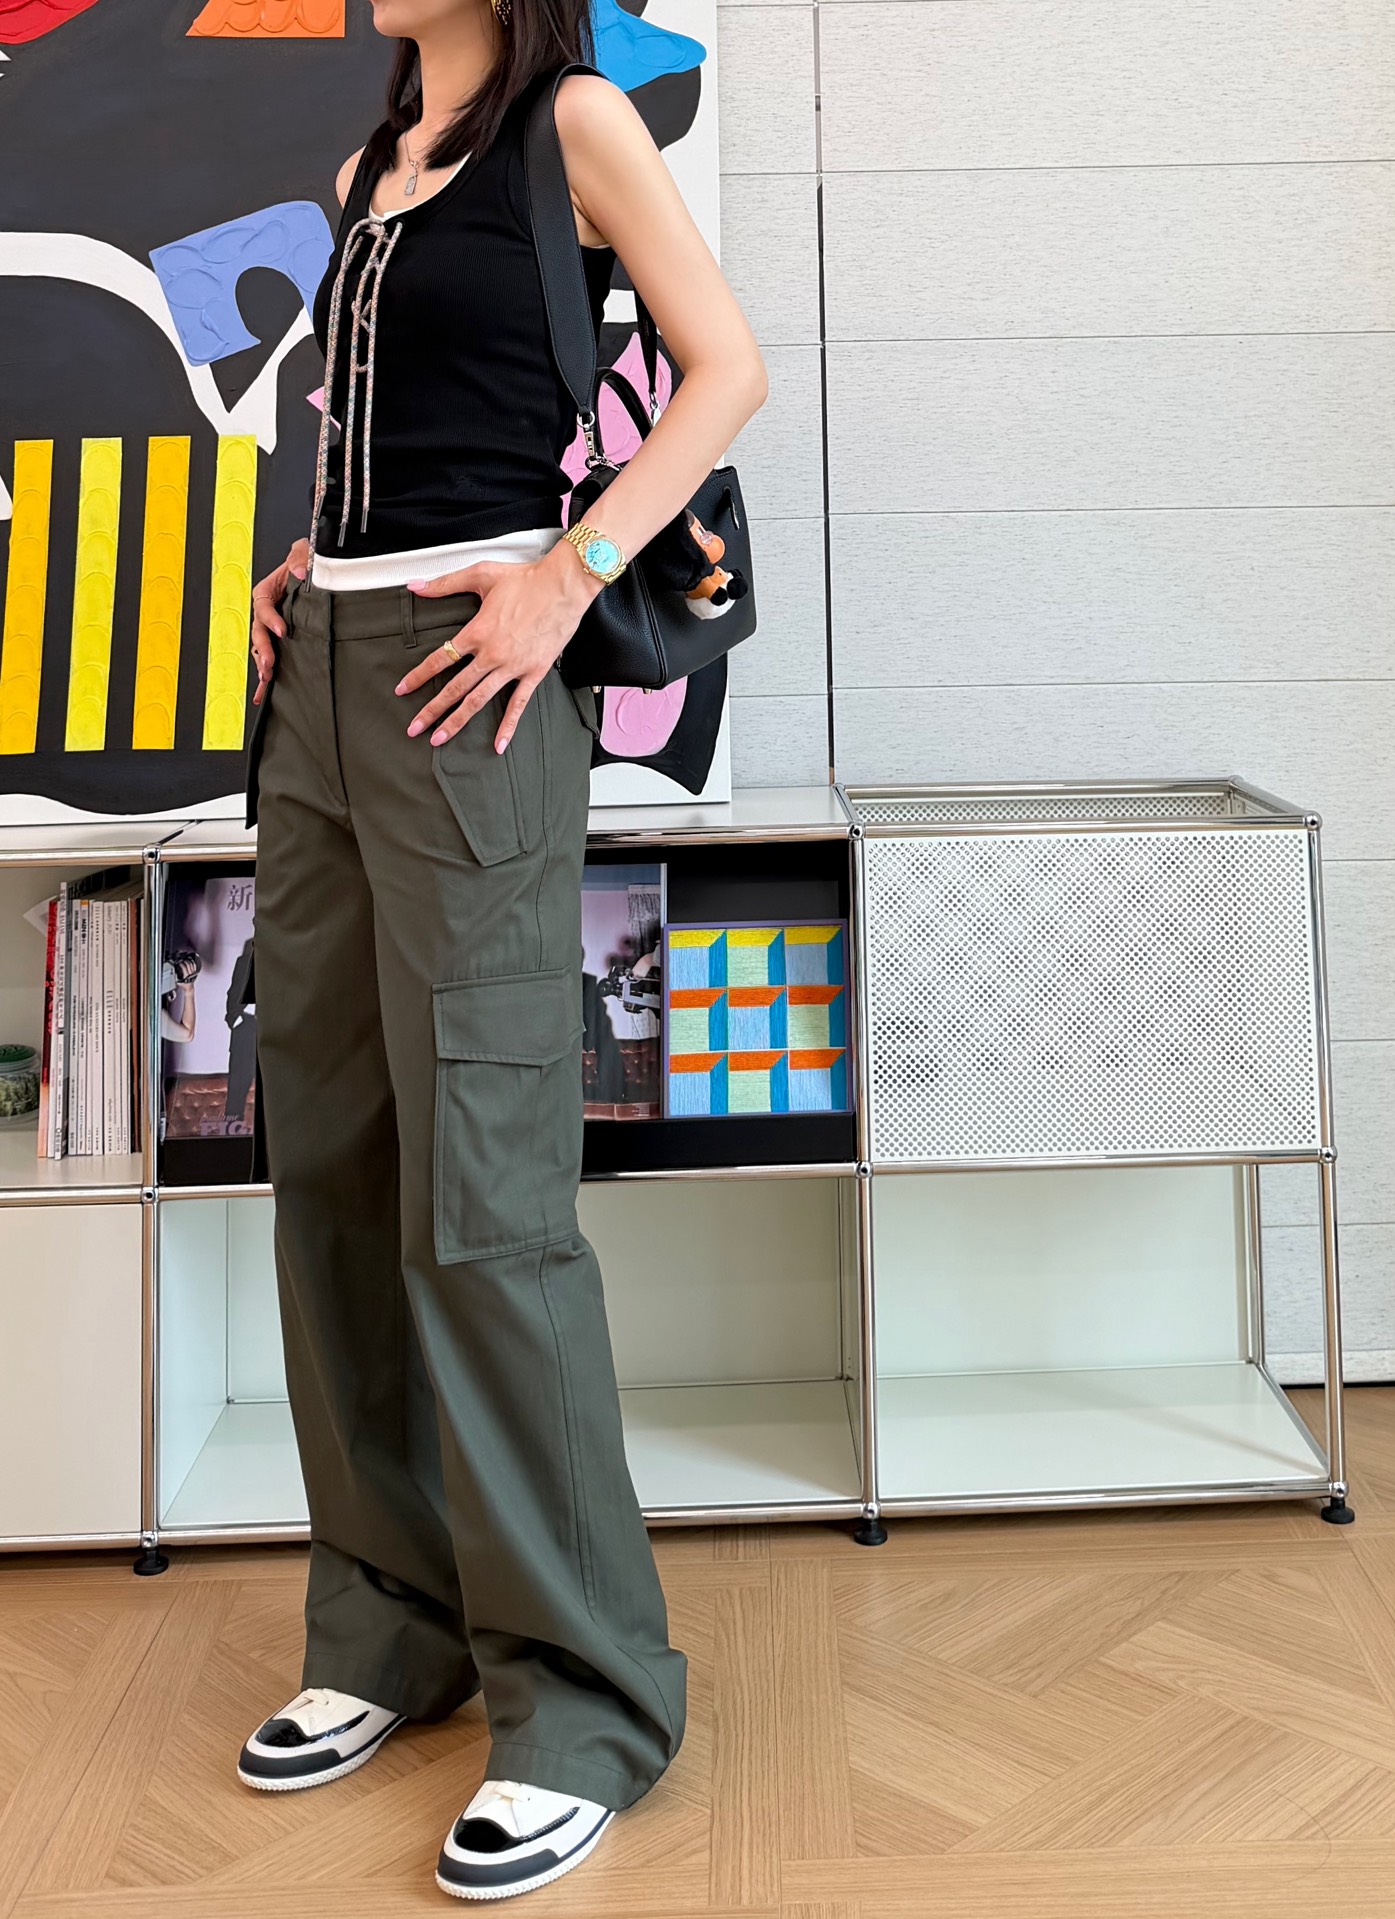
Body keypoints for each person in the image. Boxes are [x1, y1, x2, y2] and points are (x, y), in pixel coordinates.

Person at [237, 0, 768, 1901]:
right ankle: (392, 1627)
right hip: (326, 682)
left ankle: (585, 1700)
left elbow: (725, 370)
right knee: (333, 1161)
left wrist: (565, 575)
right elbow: (390, 425)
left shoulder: (578, 123)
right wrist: (314, 562)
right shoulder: (366, 168)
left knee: (485, 1193)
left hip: (478, 687)